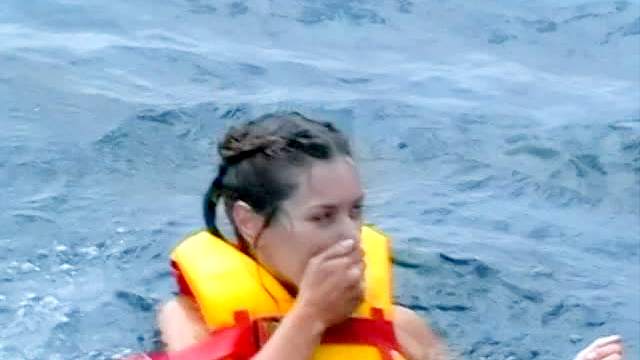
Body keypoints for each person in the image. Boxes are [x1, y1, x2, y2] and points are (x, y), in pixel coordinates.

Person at [155, 112, 625, 360]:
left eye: (355, 211)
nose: (349, 236)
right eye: (322, 217)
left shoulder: (400, 328)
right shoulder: (191, 320)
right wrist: (311, 317)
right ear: (249, 222)